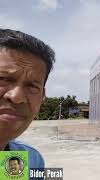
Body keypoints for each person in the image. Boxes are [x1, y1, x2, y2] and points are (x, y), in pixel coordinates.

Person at [0, 29, 55, 168]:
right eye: (2, 79)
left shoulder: (28, 161)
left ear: (42, 96)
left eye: (32, 86)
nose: (17, 97)